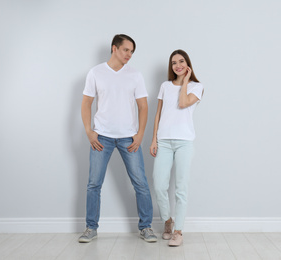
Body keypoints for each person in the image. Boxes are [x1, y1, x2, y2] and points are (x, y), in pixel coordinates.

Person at [79, 34, 157, 243]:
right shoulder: (96, 72)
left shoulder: (135, 75)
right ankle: (90, 228)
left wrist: (140, 134)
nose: (129, 55)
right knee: (94, 184)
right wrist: (89, 131)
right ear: (114, 48)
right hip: (101, 137)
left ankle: (146, 227)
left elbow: (143, 106)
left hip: (128, 138)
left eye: (132, 52)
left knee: (140, 183)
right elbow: (86, 104)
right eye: (126, 50)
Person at [150, 49, 204, 247]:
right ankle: (167, 221)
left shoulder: (197, 87)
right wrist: (154, 140)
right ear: (171, 66)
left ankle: (178, 231)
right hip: (164, 141)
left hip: (184, 143)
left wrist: (186, 81)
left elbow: (182, 103)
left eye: (181, 62)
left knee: (181, 189)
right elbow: (158, 114)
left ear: (188, 64)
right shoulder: (165, 86)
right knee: (159, 186)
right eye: (174, 63)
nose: (178, 65)